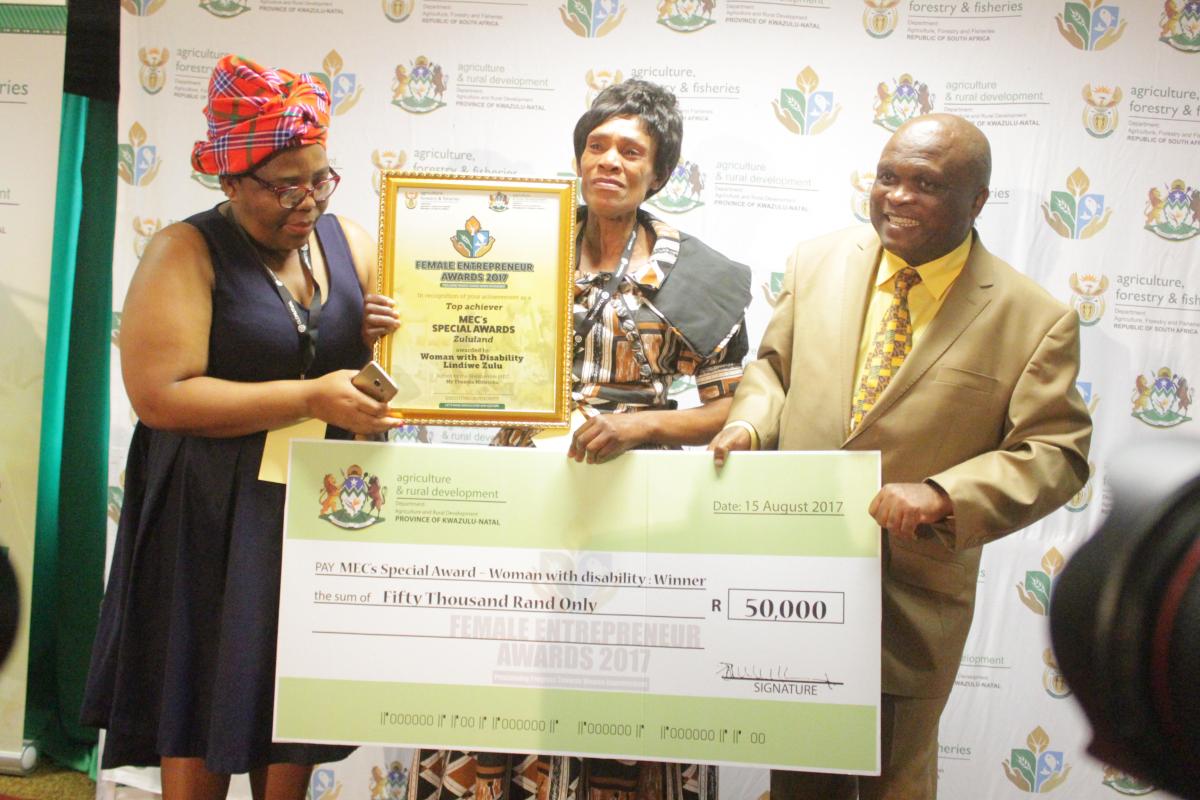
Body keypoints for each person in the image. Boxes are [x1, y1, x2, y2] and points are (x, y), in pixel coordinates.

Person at [709, 113, 1092, 799]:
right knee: (800, 778)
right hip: (797, 578)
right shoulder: (816, 260)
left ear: (977, 201)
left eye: (926, 183)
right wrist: (749, 426)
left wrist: (946, 495)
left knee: (896, 783)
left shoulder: (1033, 317)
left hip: (911, 595)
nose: (898, 197)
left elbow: (1056, 452)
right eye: (888, 176)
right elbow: (773, 370)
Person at [414, 80, 751, 800]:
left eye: (631, 150)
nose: (610, 160)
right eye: (596, 145)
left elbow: (733, 410)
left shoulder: (700, 275)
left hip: (631, 515)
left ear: (659, 174)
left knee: (620, 685)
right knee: (500, 677)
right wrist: (405, 321)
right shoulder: (515, 249)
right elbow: (444, 347)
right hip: (519, 505)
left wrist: (641, 425)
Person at [81, 55, 400, 800]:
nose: (308, 200)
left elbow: (355, 368)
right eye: (285, 184)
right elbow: (160, 396)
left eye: (320, 177)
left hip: (315, 511)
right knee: (195, 698)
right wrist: (309, 398)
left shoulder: (347, 238)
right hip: (208, 515)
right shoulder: (184, 251)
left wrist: (384, 333)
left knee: (293, 697)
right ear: (229, 181)